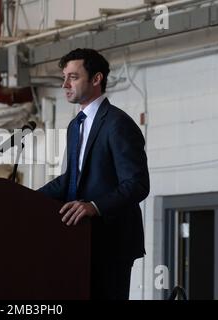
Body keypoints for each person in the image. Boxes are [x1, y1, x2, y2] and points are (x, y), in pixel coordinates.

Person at [38, 48, 150, 300]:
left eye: (73, 77)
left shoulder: (118, 124)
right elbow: (71, 179)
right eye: (64, 77)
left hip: (111, 241)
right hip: (78, 240)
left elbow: (137, 184)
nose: (65, 84)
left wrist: (94, 207)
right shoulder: (75, 126)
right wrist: (23, 197)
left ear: (96, 79)